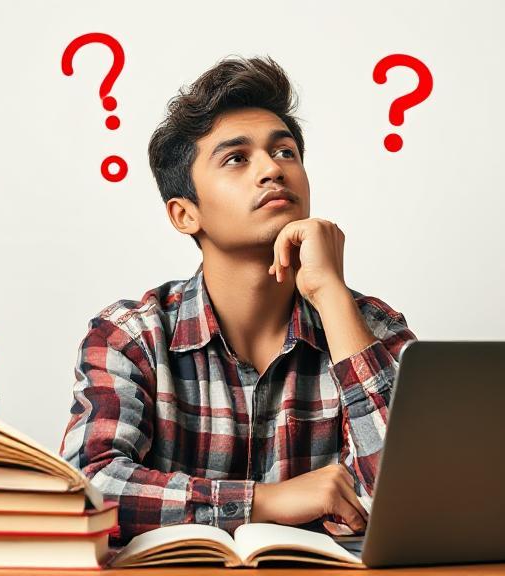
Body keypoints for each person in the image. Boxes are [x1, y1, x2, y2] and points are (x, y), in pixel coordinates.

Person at [60, 55, 416, 542]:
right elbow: (87, 487)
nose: (272, 169)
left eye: (286, 152)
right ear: (185, 214)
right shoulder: (132, 336)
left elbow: (419, 496)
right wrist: (267, 501)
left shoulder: (369, 326)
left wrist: (331, 295)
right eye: (236, 158)